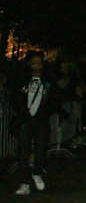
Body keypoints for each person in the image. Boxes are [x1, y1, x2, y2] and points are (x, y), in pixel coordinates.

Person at [13, 51, 62, 195]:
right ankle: (24, 183)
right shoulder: (22, 80)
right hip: (25, 119)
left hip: (40, 120)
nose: (37, 66)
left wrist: (44, 113)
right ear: (29, 63)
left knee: (40, 149)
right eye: (34, 63)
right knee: (23, 151)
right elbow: (15, 99)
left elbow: (55, 100)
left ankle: (37, 173)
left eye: (40, 63)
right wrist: (23, 114)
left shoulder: (48, 81)